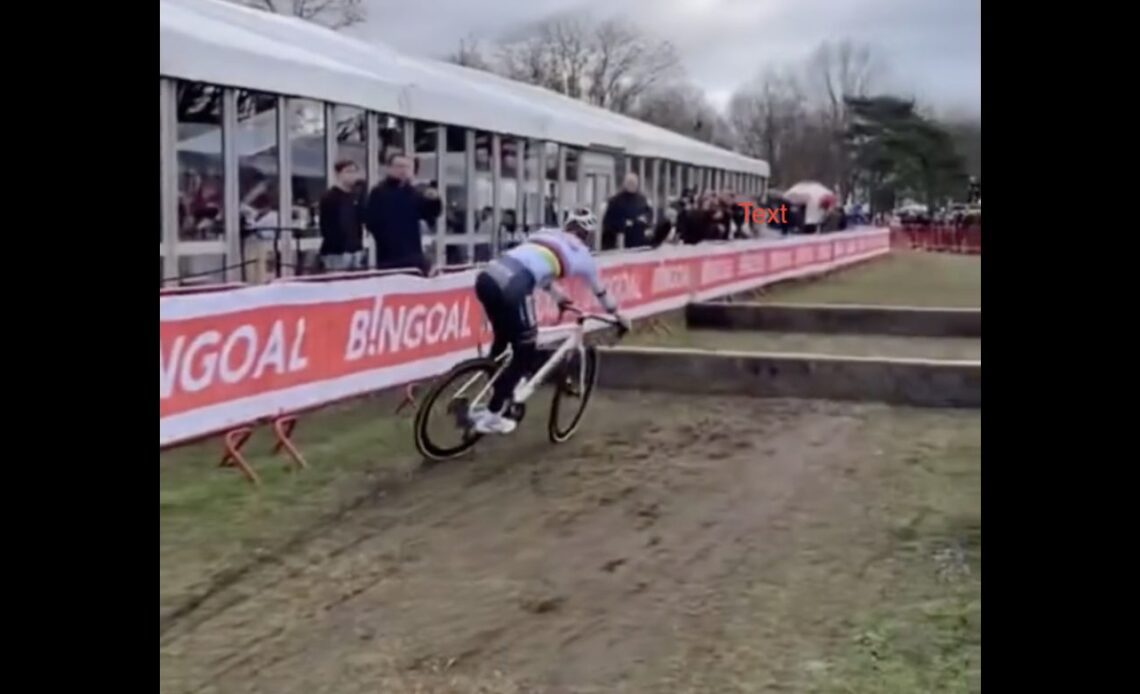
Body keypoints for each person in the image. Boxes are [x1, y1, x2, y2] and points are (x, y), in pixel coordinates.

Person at [470, 207, 631, 434]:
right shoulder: (583, 254)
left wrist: (557, 295)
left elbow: (535, 266)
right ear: (587, 235)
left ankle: (494, 392)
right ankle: (493, 414)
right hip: (514, 287)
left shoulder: (544, 234)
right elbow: (601, 292)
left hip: (488, 278)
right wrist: (619, 316)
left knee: (504, 338)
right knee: (525, 350)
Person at [365, 154, 442, 275]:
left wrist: (434, 200)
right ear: (389, 168)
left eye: (407, 167)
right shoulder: (379, 192)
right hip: (389, 255)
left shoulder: (413, 191)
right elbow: (371, 221)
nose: (403, 170)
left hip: (413, 253)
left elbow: (430, 214)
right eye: (399, 166)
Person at [318, 160, 366, 272]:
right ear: (338, 174)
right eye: (348, 172)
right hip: (337, 252)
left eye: (354, 172)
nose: (352, 175)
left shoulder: (355, 196)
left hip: (355, 249)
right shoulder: (330, 197)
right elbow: (327, 226)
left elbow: (360, 219)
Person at [601, 173, 652, 250]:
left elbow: (649, 213)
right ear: (624, 183)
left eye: (634, 183)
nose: (632, 185)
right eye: (630, 183)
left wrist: (645, 218)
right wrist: (623, 223)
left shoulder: (642, 199)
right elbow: (608, 221)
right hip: (621, 239)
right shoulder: (615, 200)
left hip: (639, 237)